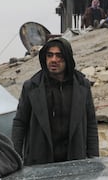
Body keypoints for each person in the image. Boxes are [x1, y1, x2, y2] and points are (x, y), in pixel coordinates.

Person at [11, 37, 99, 166]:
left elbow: (91, 123)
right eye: (50, 55)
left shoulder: (81, 86)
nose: (53, 60)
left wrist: (94, 159)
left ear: (68, 58)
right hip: (39, 160)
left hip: (74, 159)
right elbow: (20, 123)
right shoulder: (32, 87)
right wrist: (15, 158)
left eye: (59, 56)